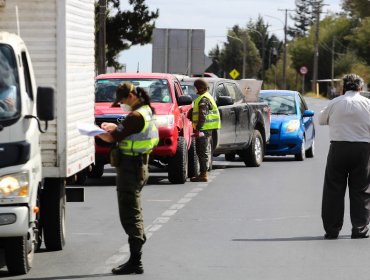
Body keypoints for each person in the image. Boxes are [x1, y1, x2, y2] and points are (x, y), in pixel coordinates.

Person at [96, 82, 159, 274]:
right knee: (133, 210)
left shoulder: (136, 115)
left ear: (131, 96)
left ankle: (135, 260)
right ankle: (135, 256)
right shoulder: (145, 110)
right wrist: (115, 127)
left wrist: (96, 132)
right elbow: (129, 131)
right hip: (137, 166)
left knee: (130, 213)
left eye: (122, 100)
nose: (121, 104)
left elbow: (113, 137)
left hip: (131, 169)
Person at [319, 73, 370, 239]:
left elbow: (321, 120)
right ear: (360, 88)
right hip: (363, 149)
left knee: (333, 189)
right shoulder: (367, 103)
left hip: (338, 147)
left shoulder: (335, 102)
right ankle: (359, 229)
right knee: (361, 190)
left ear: (343, 87)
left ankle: (332, 229)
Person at [189, 78, 221, 182]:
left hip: (204, 129)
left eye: (196, 88)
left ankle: (203, 174)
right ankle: (203, 173)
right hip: (205, 129)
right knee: (201, 150)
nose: (195, 90)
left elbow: (202, 115)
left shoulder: (203, 99)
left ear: (200, 88)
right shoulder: (205, 97)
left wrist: (198, 129)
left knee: (202, 151)